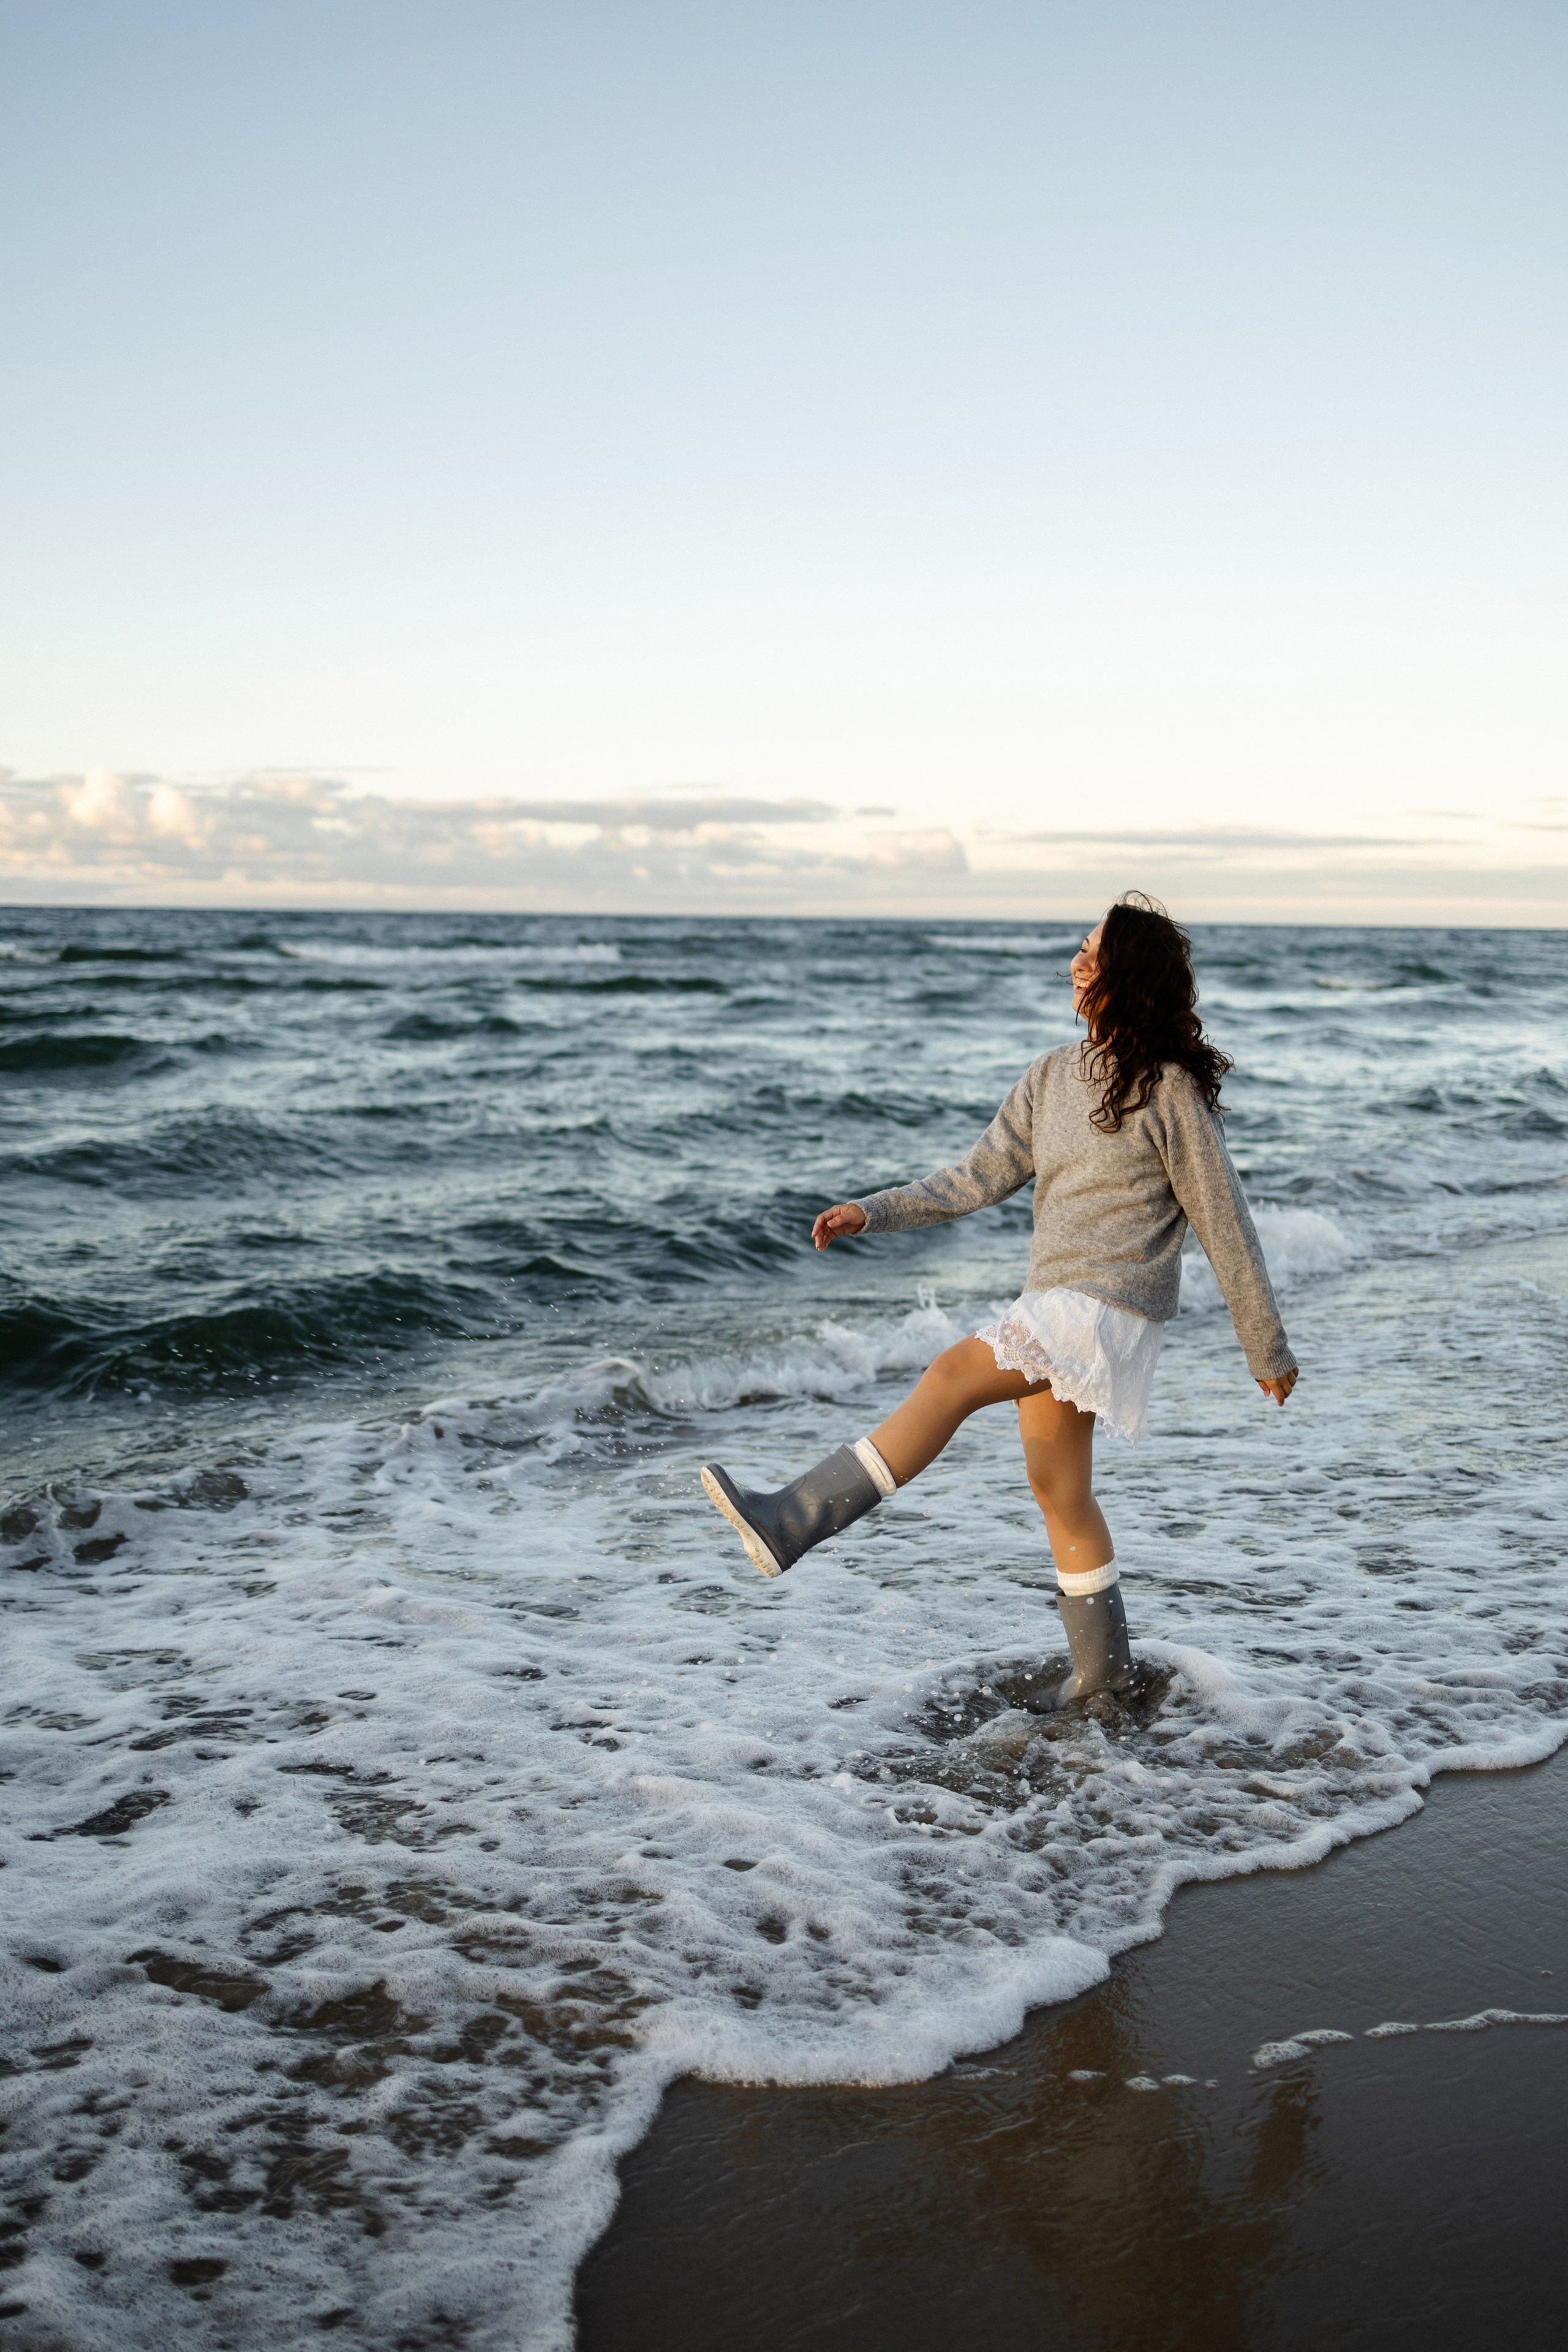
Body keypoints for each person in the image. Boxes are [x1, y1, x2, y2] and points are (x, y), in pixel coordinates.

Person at [701, 893, 1299, 1713]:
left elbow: (1223, 1218)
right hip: (1058, 1301)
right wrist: (871, 1211)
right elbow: (974, 1179)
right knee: (1060, 1490)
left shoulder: (1168, 1089)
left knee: (949, 1378)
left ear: (1129, 975)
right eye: (1081, 949)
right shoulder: (1052, 1075)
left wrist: (1265, 1347)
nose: (1079, 964)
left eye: (1096, 953)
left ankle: (794, 1520)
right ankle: (1105, 1680)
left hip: (1107, 1307)